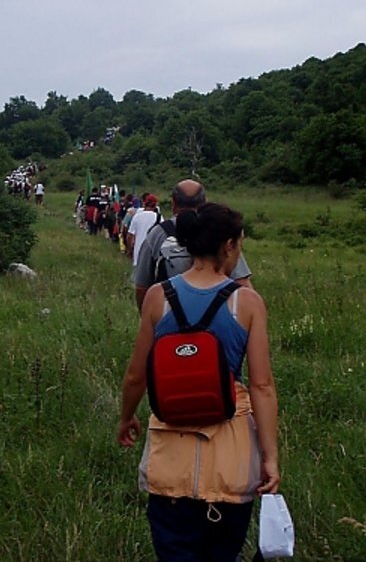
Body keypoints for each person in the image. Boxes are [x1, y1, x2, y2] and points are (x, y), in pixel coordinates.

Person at [117, 203, 280, 561]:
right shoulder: (247, 303)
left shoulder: (158, 297)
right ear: (229, 246)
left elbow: (136, 375)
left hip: (169, 460)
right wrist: (270, 457)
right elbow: (262, 386)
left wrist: (126, 417)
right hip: (231, 460)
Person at [133, 179, 252, 313]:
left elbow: (141, 286)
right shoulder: (218, 231)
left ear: (173, 203)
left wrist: (149, 318)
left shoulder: (158, 233)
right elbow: (242, 282)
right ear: (205, 203)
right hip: (216, 314)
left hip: (169, 314)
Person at [127, 194, 162, 266]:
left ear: (144, 204)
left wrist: (129, 250)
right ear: (155, 205)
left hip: (138, 252)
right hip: (152, 253)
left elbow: (129, 236)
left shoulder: (137, 216)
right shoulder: (159, 218)